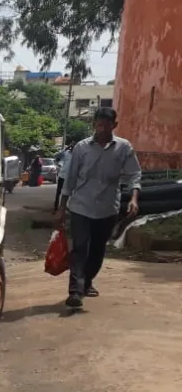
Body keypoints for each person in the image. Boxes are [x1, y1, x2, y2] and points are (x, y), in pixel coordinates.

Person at [57, 107, 141, 309]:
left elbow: (134, 175)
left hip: (107, 208)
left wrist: (134, 198)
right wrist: (61, 208)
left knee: (97, 249)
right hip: (81, 206)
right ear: (94, 124)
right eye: (99, 124)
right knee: (80, 248)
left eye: (107, 125)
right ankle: (75, 292)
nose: (102, 128)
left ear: (114, 125)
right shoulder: (81, 148)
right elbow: (70, 178)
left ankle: (86, 282)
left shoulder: (124, 148)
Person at [53, 141, 74, 212]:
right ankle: (56, 207)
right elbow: (56, 155)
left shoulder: (77, 154)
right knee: (58, 192)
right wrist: (65, 149)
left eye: (74, 146)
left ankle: (67, 207)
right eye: (71, 146)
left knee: (70, 193)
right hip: (62, 176)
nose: (72, 147)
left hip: (71, 177)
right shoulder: (66, 153)